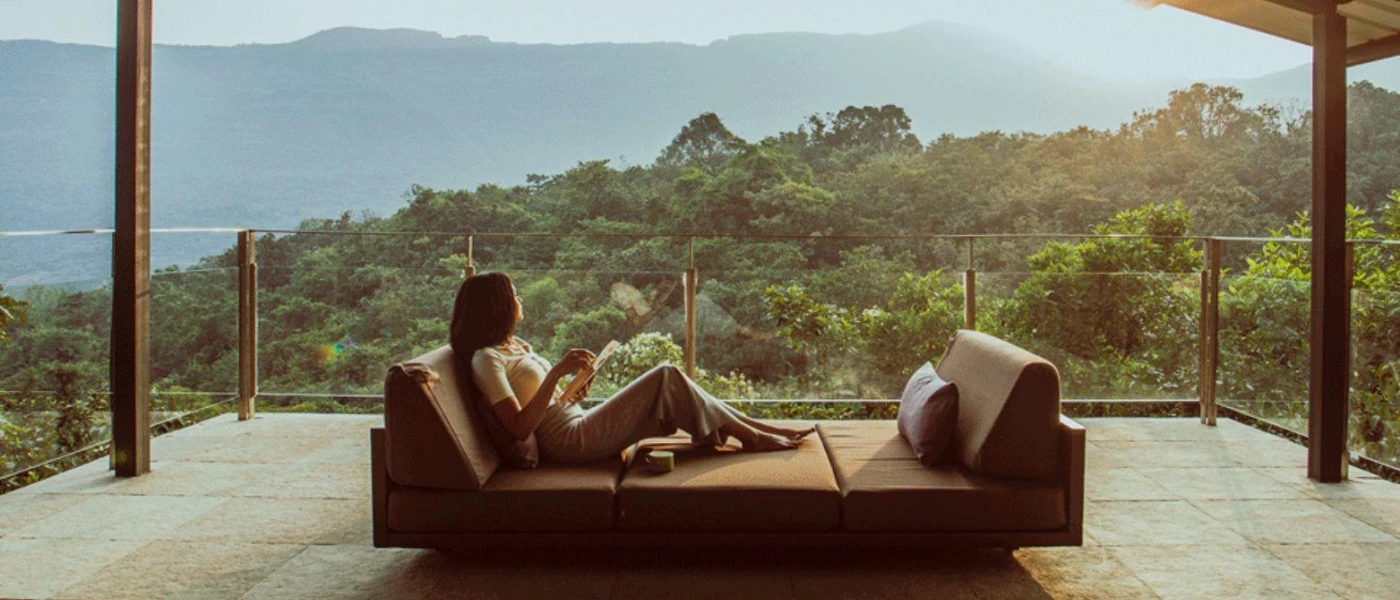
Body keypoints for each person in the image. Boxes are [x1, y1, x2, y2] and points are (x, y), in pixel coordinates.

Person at [450, 271, 815, 463]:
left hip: (574, 416)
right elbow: (517, 428)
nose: (520, 299)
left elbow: (546, 401)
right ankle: (751, 436)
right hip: (568, 441)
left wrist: (573, 388)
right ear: (497, 306)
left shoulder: (513, 346)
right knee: (666, 375)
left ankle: (754, 429)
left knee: (668, 377)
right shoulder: (486, 359)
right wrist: (556, 374)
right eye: (513, 294)